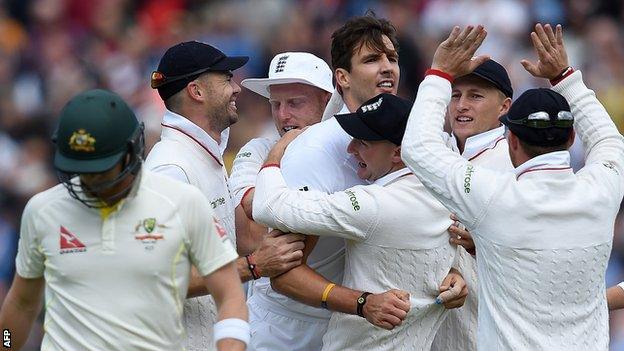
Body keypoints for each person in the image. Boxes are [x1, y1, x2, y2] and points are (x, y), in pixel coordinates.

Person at [246, 14, 466, 351]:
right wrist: (363, 303)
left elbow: (438, 227)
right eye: (371, 59)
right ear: (342, 78)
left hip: (363, 331)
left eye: (391, 58)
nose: (387, 68)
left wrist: (451, 273)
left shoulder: (425, 137)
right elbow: (284, 274)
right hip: (291, 332)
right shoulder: (313, 149)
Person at [402, 23, 624, 349]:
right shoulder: (602, 188)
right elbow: (609, 140)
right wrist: (566, 77)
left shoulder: (494, 196)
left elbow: (417, 149)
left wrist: (439, 73)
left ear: (511, 140)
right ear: (572, 138)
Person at [0, 89, 248, 351]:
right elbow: (21, 303)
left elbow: (230, 294)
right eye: (82, 170)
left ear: (132, 150)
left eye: (101, 169)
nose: (91, 180)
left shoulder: (182, 202)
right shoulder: (42, 211)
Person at [145, 41, 304, 350]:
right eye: (226, 78)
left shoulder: (203, 153)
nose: (237, 88)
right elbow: (159, 277)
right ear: (197, 91)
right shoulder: (170, 168)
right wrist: (255, 265)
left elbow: (229, 243)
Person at [432, 59, 513, 351]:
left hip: (491, 334)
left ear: (504, 106)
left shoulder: (513, 165)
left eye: (475, 96)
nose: (461, 105)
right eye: (455, 95)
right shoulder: (434, 154)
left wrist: (480, 245)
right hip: (437, 332)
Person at [230, 51, 333, 255]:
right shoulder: (257, 149)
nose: (282, 115)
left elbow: (263, 209)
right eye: (275, 104)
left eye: (295, 103)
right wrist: (278, 150)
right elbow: (253, 207)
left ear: (327, 101)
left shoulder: (352, 152)